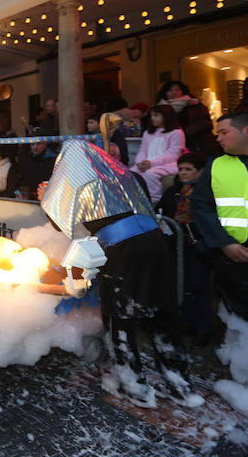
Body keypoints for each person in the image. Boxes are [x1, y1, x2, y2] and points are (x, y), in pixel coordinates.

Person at [41, 139, 203, 408]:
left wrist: (46, 198)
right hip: (156, 244)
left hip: (124, 251)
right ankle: (180, 384)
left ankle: (135, 387)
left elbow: (70, 226)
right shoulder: (122, 176)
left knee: (121, 319)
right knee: (164, 316)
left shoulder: (82, 185)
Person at [190, 112, 248, 334]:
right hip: (232, 257)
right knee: (243, 323)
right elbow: (201, 206)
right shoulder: (216, 165)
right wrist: (224, 243)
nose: (218, 138)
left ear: (247, 131)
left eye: (224, 132)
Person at [156, 153, 214, 344]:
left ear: (200, 172)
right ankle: (188, 322)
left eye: (189, 169)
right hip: (176, 245)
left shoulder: (207, 192)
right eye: (181, 169)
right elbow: (161, 210)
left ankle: (204, 328)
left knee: (200, 285)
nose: (183, 173)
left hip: (198, 244)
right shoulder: (173, 191)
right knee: (183, 284)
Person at [131, 104, 186, 202]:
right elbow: (143, 150)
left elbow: (173, 154)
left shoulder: (176, 133)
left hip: (168, 164)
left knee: (150, 174)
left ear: (166, 116)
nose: (152, 118)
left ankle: (154, 200)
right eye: (151, 116)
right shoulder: (147, 133)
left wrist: (152, 164)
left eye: (156, 115)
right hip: (147, 163)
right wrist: (139, 162)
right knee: (131, 174)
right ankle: (135, 199)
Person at [156, 80, 215, 155]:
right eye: (170, 90)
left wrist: (184, 133)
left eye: (178, 89)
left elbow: (207, 123)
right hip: (171, 146)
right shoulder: (160, 108)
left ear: (183, 91)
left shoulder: (195, 104)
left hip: (196, 144)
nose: (174, 92)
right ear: (165, 93)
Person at [17, 133, 56, 200]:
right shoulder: (27, 160)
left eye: (38, 144)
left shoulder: (52, 160)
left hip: (47, 197)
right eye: (33, 144)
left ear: (45, 144)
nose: (35, 147)